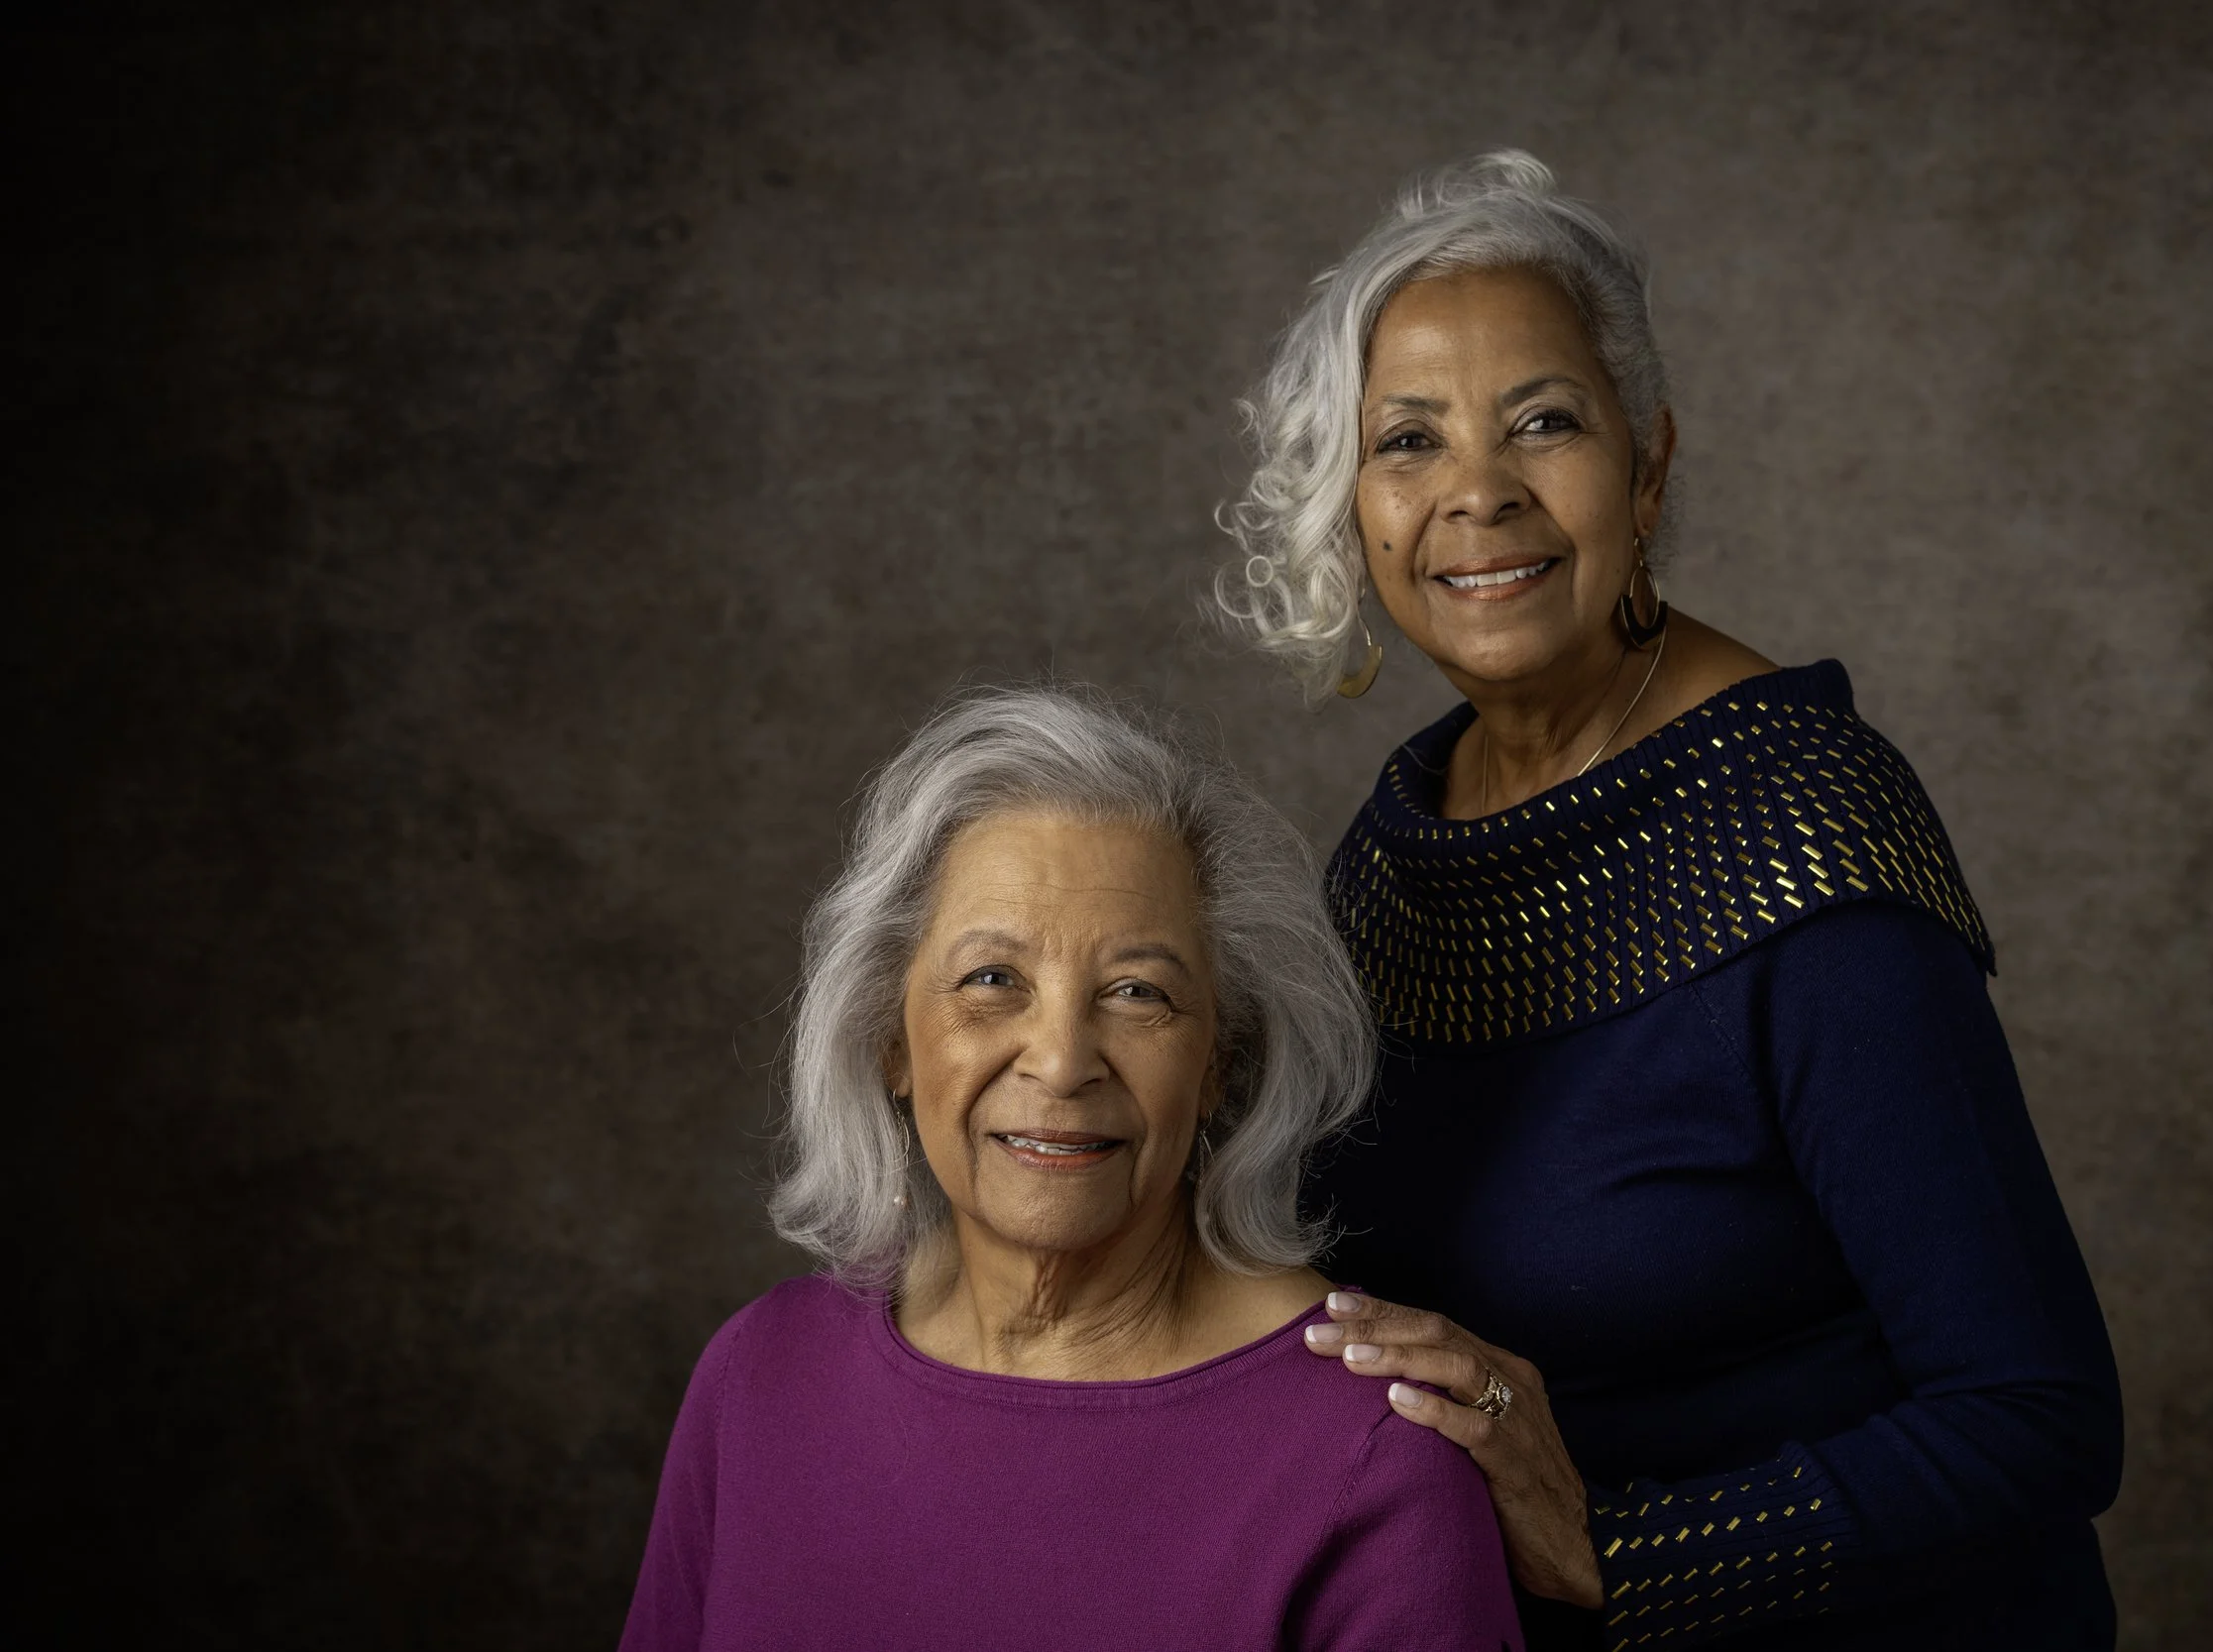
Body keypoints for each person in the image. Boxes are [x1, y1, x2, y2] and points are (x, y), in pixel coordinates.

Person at [1213, 152, 2122, 1649]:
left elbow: (2042, 1417)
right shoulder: (1392, 853)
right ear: (1354, 506)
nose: (1478, 491)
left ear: (1647, 467)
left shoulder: (1804, 836)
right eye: (1409, 440)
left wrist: (1628, 1555)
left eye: (1545, 422)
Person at [617, 686, 1523, 1652]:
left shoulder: (1378, 1458)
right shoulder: (761, 1374)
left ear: (1218, 1061)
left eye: (1137, 991)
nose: (1059, 1061)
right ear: (890, 1036)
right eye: (992, 979)